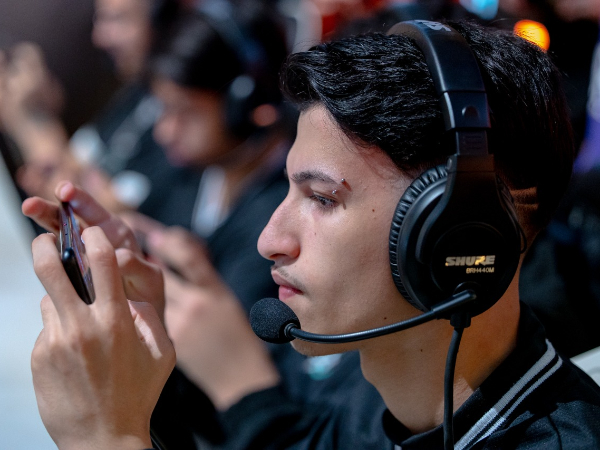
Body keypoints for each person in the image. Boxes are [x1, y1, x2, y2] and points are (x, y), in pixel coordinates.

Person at [23, 19, 600, 450]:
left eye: (322, 199)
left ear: (457, 234)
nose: (269, 239)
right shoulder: (387, 391)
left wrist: (106, 438)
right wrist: (152, 361)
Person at [0, 0, 201, 227]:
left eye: (118, 19)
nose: (99, 37)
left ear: (165, 20)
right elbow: (70, 162)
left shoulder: (181, 127)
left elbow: (90, 215)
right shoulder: (137, 94)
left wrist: (29, 117)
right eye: (100, 19)